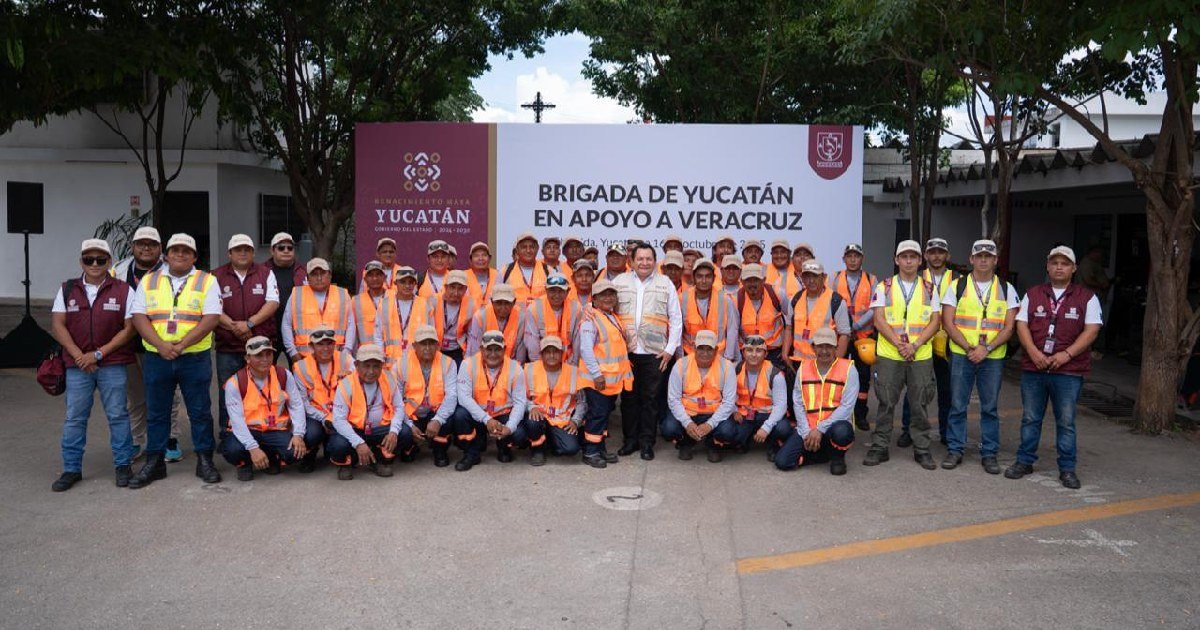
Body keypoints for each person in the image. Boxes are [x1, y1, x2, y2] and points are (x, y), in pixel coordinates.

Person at [128, 233, 224, 488]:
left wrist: (181, 345)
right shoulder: (149, 280)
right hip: (157, 357)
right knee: (157, 412)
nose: (180, 254)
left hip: (194, 357)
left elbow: (211, 317)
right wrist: (161, 346)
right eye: (175, 250)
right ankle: (155, 462)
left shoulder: (207, 280)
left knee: (199, 411)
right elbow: (138, 316)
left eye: (186, 251)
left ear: (194, 256)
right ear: (166, 255)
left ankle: (205, 459)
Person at [1006, 246, 1102, 489]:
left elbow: (1092, 330)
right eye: (1055, 263)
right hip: (1034, 368)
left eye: (1065, 263)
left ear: (1074, 268)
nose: (1059, 267)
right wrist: (1034, 352)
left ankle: (1067, 469)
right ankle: (1024, 461)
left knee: (1066, 421)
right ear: (1048, 267)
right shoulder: (1033, 294)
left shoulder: (1087, 297)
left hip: (1069, 371)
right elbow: (1021, 325)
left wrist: (1066, 354)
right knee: (1030, 418)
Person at [50, 238, 137, 491]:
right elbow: (58, 324)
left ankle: (123, 465)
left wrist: (97, 355)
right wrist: (79, 355)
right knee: (75, 418)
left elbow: (129, 329)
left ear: (109, 262)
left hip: (112, 364)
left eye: (101, 259)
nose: (95, 264)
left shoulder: (124, 290)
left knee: (118, 416)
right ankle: (71, 469)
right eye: (89, 259)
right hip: (77, 366)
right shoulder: (67, 289)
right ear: (81, 262)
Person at [941, 239, 1019, 474]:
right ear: (971, 259)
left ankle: (989, 453)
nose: (983, 260)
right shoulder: (957, 286)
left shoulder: (1007, 288)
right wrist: (969, 348)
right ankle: (955, 449)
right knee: (957, 405)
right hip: (961, 354)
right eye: (979, 256)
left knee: (990, 407)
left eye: (988, 256)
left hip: (992, 357)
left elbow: (1009, 327)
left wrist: (987, 348)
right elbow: (948, 322)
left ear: (995, 260)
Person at [862, 240, 941, 470]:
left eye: (913, 257)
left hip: (920, 355)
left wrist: (914, 345)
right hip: (890, 354)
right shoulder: (884, 287)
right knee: (886, 403)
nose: (908, 261)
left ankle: (922, 448)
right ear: (896, 260)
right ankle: (880, 446)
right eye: (904, 257)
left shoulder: (930, 288)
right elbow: (879, 319)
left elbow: (935, 321)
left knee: (920, 403)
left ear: (920, 261)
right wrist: (899, 344)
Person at [111, 226, 184, 461]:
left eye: (152, 244)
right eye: (141, 244)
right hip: (128, 344)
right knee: (135, 396)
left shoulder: (171, 270)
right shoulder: (118, 270)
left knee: (168, 395)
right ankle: (136, 440)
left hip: (162, 344)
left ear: (160, 249)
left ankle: (170, 438)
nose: (146, 248)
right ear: (132, 247)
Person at [614, 243, 683, 461]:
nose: (644, 263)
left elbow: (676, 319)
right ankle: (630, 441)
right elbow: (603, 308)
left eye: (649, 259)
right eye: (640, 259)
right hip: (627, 351)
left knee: (650, 400)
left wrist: (670, 350)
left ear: (655, 261)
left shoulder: (665, 284)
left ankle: (646, 443)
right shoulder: (619, 282)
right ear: (631, 261)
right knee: (628, 399)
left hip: (655, 354)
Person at [219, 336, 323, 481]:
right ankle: (244, 464)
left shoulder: (283, 375)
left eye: (268, 354)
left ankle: (271, 458)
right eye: (258, 355)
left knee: (295, 452)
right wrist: (253, 448)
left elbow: (296, 405)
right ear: (247, 358)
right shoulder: (235, 383)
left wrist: (298, 434)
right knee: (232, 449)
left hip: (276, 430)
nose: (265, 359)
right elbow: (237, 421)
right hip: (249, 430)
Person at [213, 234, 280, 431]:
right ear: (229, 253)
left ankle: (261, 430)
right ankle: (228, 433)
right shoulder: (215, 276)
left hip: (260, 347)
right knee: (228, 391)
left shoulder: (265, 273)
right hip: (228, 347)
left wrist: (249, 324)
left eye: (247, 249)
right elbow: (213, 308)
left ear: (253, 253)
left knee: (262, 389)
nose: (243, 253)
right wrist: (237, 327)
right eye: (238, 249)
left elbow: (273, 302)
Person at [899, 237, 957, 447]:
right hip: (920, 342)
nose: (936, 256)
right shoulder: (916, 277)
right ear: (925, 256)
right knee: (914, 390)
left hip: (948, 344)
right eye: (932, 252)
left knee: (946, 390)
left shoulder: (958, 280)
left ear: (947, 255)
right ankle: (908, 430)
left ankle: (946, 432)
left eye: (941, 252)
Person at [775, 328, 857, 475]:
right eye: (820, 346)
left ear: (836, 348)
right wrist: (806, 431)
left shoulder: (849, 369)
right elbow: (798, 403)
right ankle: (822, 455)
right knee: (782, 462)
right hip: (808, 427)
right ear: (813, 347)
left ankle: (837, 458)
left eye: (829, 347)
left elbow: (847, 406)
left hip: (833, 427)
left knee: (842, 431)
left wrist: (820, 429)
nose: (824, 351)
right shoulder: (803, 368)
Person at [327, 344, 409, 479]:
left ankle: (378, 459)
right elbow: (339, 420)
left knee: (404, 432)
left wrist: (393, 431)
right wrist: (358, 443)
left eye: (376, 366)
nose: (371, 371)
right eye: (366, 366)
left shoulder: (389, 379)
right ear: (357, 365)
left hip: (378, 429)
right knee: (338, 444)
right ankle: (347, 464)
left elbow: (399, 407)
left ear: (382, 366)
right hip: (354, 430)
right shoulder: (346, 385)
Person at [452, 329, 528, 470]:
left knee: (519, 434)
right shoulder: (467, 365)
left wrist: (509, 427)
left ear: (504, 350)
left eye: (497, 349)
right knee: (460, 415)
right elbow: (463, 398)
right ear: (481, 349)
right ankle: (471, 453)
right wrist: (486, 419)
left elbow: (520, 402)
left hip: (503, 415)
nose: (493, 354)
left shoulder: (516, 368)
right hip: (479, 416)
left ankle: (504, 447)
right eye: (489, 349)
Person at [577, 280, 633, 468]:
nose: (608, 298)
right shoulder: (590, 319)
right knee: (597, 415)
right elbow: (586, 349)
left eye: (611, 294)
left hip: (610, 382)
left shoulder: (612, 317)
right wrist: (597, 374)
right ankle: (590, 452)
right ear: (594, 299)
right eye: (603, 295)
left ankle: (599, 448)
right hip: (597, 381)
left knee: (603, 415)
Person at [661, 330, 738, 462]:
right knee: (669, 428)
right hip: (688, 412)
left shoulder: (727, 367)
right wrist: (687, 423)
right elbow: (673, 399)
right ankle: (685, 443)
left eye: (709, 349)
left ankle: (713, 444)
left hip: (713, 414)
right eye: (701, 348)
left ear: (716, 350)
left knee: (728, 431)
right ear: (694, 347)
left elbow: (729, 402)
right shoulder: (680, 365)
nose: (705, 353)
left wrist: (710, 425)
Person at [394, 325, 459, 467]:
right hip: (411, 415)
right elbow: (396, 401)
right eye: (423, 343)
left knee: (452, 417)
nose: (428, 348)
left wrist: (438, 420)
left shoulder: (448, 363)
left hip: (435, 412)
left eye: (431, 343)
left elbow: (452, 396)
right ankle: (410, 447)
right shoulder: (400, 365)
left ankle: (440, 450)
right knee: (404, 431)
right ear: (414, 346)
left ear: (437, 345)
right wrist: (410, 425)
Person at [521, 336, 589, 466]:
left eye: (555, 351)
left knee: (571, 449)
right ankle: (537, 451)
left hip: (561, 419)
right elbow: (520, 397)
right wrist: (531, 407)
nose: (552, 355)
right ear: (541, 354)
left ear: (562, 353)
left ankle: (551, 442)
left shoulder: (573, 372)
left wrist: (575, 421)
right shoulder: (529, 370)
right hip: (539, 416)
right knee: (532, 422)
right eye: (547, 352)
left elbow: (582, 402)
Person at [291, 327, 354, 463]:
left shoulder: (347, 360)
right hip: (316, 415)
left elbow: (358, 390)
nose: (326, 348)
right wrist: (324, 418)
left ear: (335, 344)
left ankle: (334, 452)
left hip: (341, 413)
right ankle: (310, 454)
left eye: (329, 343)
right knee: (311, 435)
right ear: (311, 346)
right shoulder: (301, 367)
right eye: (320, 344)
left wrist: (350, 378)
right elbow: (302, 402)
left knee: (341, 444)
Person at [833, 243, 877, 430]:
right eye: (849, 256)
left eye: (856, 256)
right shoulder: (834, 278)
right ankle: (837, 411)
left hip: (863, 336)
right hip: (841, 336)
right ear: (844, 259)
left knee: (863, 376)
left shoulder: (871, 279)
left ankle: (860, 414)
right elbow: (829, 303)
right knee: (837, 374)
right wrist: (845, 328)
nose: (853, 260)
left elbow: (875, 307)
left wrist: (856, 325)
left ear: (862, 259)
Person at [282, 258, 351, 362]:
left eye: (322, 273)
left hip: (337, 357)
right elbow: (286, 325)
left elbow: (351, 325)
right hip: (304, 358)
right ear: (307, 277)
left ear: (330, 275)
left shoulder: (343, 294)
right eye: (314, 274)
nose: (319, 278)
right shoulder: (296, 295)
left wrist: (347, 351)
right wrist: (292, 352)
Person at [734, 335, 792, 459]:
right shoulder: (736, 369)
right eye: (749, 350)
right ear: (743, 353)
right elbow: (727, 396)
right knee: (730, 432)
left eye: (759, 350)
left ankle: (775, 444)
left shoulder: (775, 374)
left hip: (767, 414)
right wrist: (733, 411)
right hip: (745, 415)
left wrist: (766, 427)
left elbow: (781, 406)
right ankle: (746, 439)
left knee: (783, 429)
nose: (754, 354)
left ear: (766, 354)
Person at [785, 260, 850, 365]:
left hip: (824, 363)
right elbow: (788, 328)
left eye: (815, 276)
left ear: (823, 277)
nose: (811, 281)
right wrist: (785, 354)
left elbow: (844, 335)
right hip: (798, 361)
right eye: (807, 276)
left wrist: (835, 363)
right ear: (802, 278)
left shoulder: (836, 301)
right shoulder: (795, 299)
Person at [680, 258, 739, 361]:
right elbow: (678, 332)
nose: (704, 281)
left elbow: (732, 331)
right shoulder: (682, 299)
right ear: (693, 278)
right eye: (699, 276)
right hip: (691, 356)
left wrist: (728, 359)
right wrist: (681, 358)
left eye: (708, 276)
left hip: (719, 356)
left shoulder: (725, 300)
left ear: (714, 278)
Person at [736, 263, 789, 371]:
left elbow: (790, 323)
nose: (752, 284)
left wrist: (785, 352)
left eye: (756, 280)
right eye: (748, 280)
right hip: (747, 353)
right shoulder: (736, 299)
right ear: (742, 282)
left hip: (774, 354)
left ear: (764, 280)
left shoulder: (777, 294)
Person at [263, 232, 307, 362]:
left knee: (299, 371)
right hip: (269, 333)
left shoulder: (304, 271)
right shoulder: (260, 272)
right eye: (281, 248)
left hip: (296, 334)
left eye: (290, 248)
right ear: (272, 251)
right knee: (267, 371)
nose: (286, 251)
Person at [376, 266, 431, 363]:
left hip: (416, 363)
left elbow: (430, 336)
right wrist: (380, 358)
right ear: (395, 283)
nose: (407, 286)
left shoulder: (425, 305)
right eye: (403, 282)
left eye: (411, 282)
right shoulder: (384, 304)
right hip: (389, 364)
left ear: (415, 284)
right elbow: (377, 336)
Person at [524, 273, 581, 363]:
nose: (556, 295)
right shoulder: (533, 309)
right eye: (552, 290)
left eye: (561, 291)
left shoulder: (576, 308)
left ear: (568, 291)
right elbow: (532, 346)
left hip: (569, 362)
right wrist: (542, 367)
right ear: (546, 290)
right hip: (542, 363)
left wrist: (571, 366)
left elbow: (577, 342)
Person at [465, 283, 528, 361]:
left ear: (514, 302)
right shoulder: (480, 317)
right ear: (492, 302)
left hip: (510, 363)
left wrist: (515, 367)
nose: (503, 307)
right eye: (499, 303)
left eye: (507, 303)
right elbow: (475, 350)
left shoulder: (521, 318)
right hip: (484, 362)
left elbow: (520, 353)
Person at [426, 270, 474, 365]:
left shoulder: (471, 305)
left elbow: (471, 335)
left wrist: (468, 357)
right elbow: (427, 330)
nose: (456, 293)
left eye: (460, 289)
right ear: (445, 287)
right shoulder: (432, 301)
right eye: (452, 287)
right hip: (436, 349)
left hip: (458, 350)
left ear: (465, 290)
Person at [348, 261, 391, 357]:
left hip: (390, 355)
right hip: (366, 356)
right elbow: (352, 332)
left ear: (385, 277)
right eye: (370, 275)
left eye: (378, 274)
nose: (375, 278)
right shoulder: (356, 301)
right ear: (365, 279)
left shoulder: (394, 297)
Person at [502, 233, 551, 305]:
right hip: (515, 312)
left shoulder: (548, 271)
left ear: (537, 249)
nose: (528, 250)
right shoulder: (505, 271)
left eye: (532, 247)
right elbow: (495, 299)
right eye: (524, 247)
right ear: (517, 250)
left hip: (542, 312)